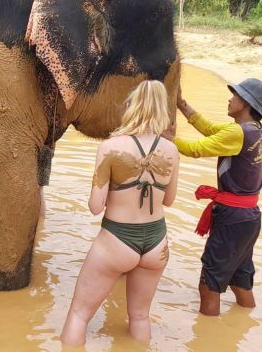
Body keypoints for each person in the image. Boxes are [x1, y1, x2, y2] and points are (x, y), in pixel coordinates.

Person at [61, 80, 180, 345]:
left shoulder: (111, 147)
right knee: (139, 316)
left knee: (79, 315)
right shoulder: (171, 151)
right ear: (162, 110)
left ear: (131, 106)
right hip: (157, 243)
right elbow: (169, 200)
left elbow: (95, 207)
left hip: (117, 240)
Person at [172, 78, 262, 316]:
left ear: (246, 103)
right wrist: (182, 105)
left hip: (233, 218)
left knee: (209, 282)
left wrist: (160, 136)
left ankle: (206, 339)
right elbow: (209, 130)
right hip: (249, 218)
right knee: (240, 280)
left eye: (235, 95)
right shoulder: (255, 130)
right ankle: (243, 326)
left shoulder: (237, 133)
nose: (230, 99)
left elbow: (194, 149)